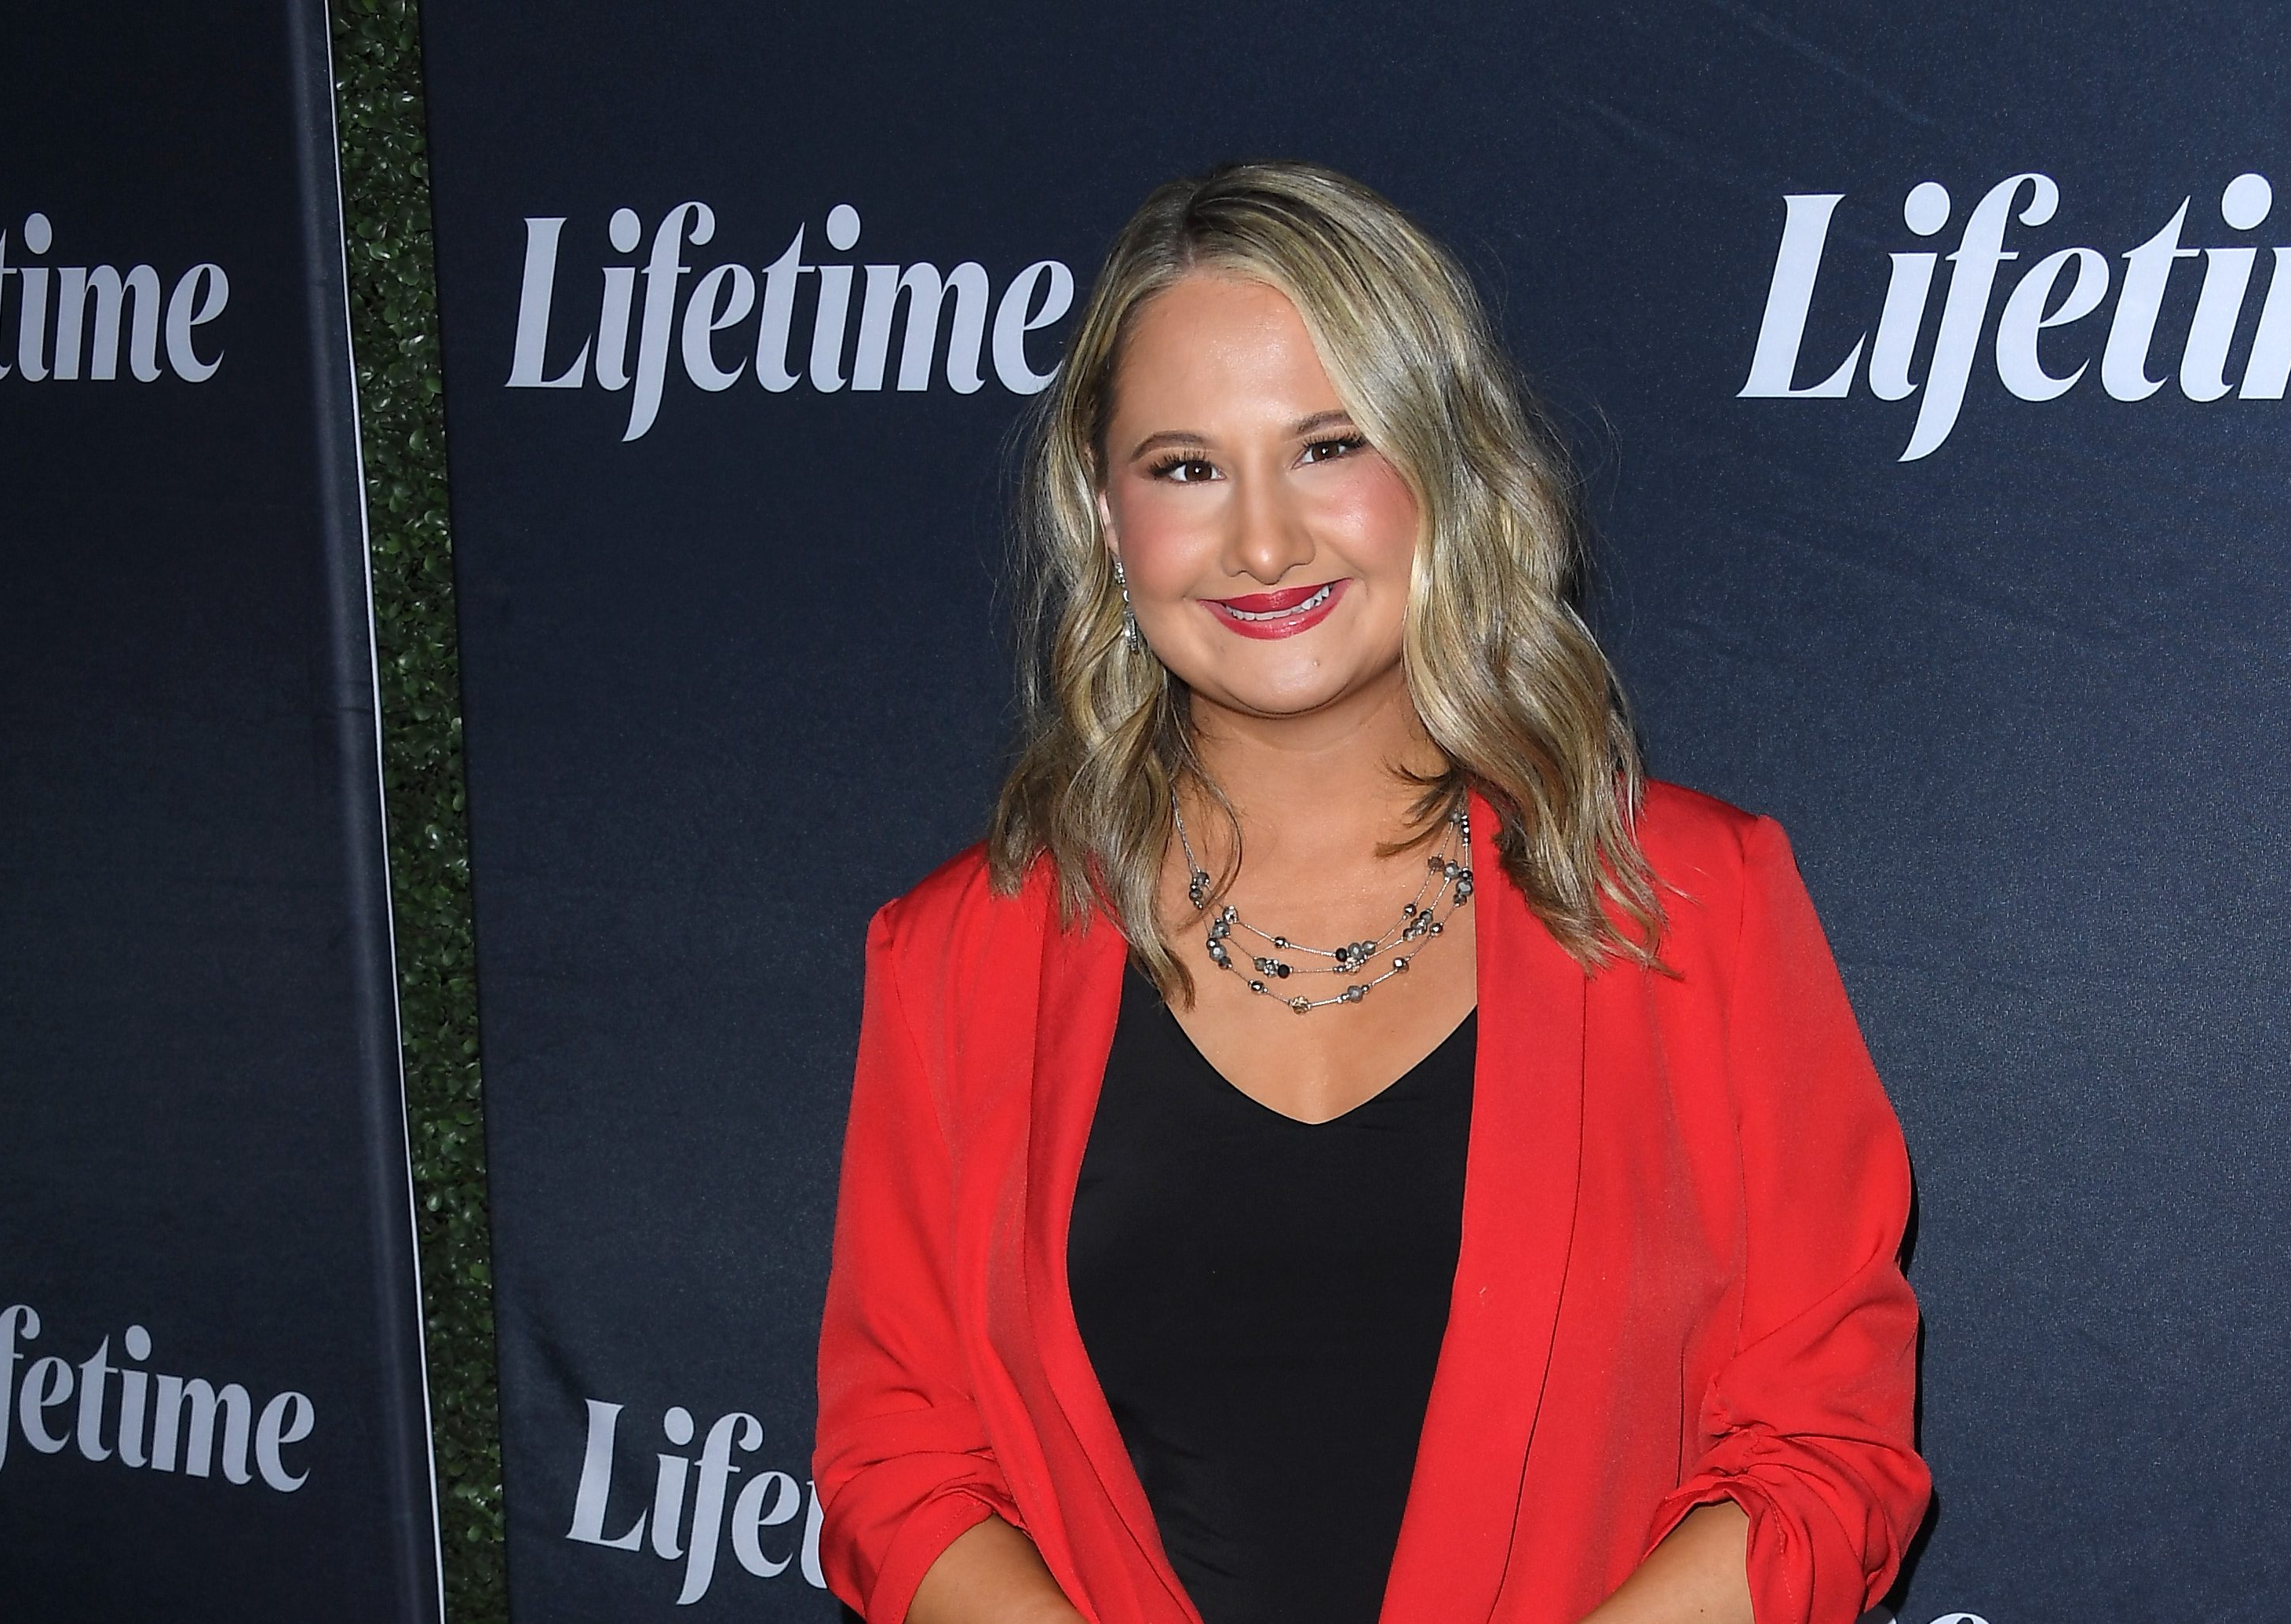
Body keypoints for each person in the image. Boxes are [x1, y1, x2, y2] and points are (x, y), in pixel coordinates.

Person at [814, 162, 1926, 1624]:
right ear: (1103, 513)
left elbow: (1823, 1449)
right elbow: (901, 1451)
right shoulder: (960, 950)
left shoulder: (1693, 903)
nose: (1263, 542)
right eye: (1186, 467)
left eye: (1328, 446)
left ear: (1444, 472)